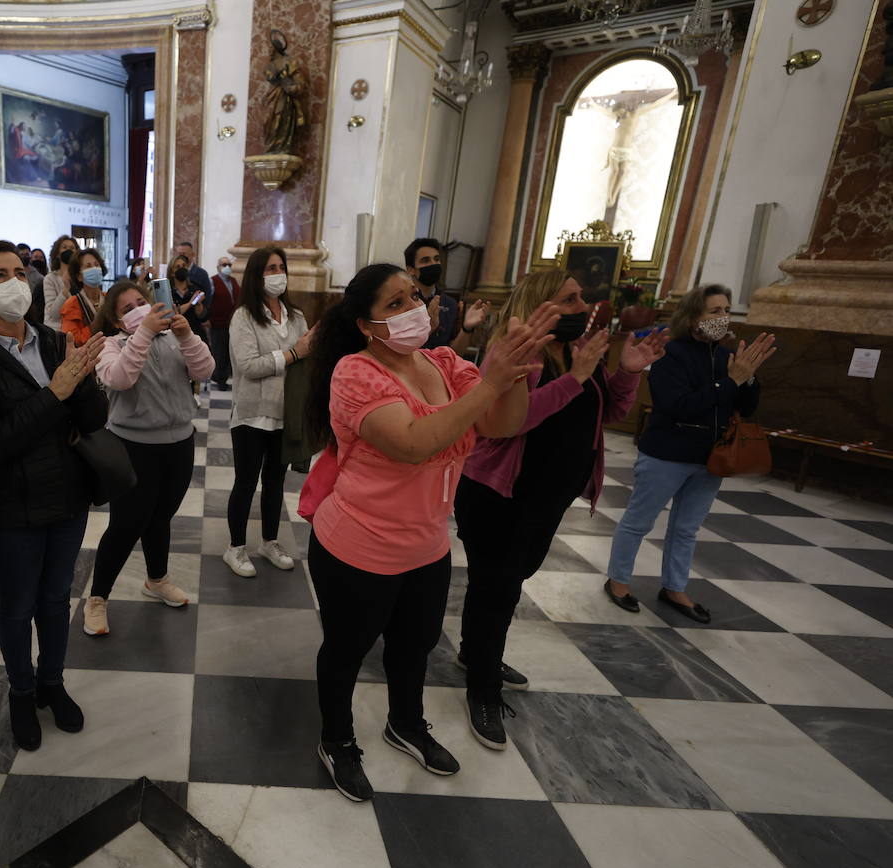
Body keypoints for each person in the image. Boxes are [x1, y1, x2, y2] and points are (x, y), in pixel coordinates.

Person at [305, 263, 556, 801]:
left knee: (414, 647)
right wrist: (488, 380)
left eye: (414, 296)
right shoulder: (356, 372)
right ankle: (337, 740)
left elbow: (501, 424)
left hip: (427, 544)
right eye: (394, 303)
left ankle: (406, 724)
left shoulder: (443, 361)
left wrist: (513, 373)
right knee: (346, 650)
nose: (413, 308)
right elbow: (414, 442)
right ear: (366, 325)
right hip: (358, 545)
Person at [455, 268, 667, 751]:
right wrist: (574, 378)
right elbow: (509, 423)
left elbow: (605, 412)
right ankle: (482, 691)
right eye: (569, 300)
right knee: (498, 588)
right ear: (539, 305)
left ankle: (474, 654)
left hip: (546, 498)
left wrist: (626, 373)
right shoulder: (514, 355)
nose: (581, 307)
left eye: (579, 299)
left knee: (504, 583)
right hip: (499, 497)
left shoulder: (575, 352)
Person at [0, 240, 107, 752]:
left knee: (56, 598)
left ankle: (52, 682)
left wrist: (83, 381)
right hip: (10, 506)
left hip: (65, 497)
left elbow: (93, 421)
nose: (15, 282)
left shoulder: (53, 340)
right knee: (18, 605)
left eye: (19, 272)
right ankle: (21, 691)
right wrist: (56, 393)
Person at [606, 285, 775, 622]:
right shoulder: (672, 354)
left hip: (710, 458)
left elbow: (747, 406)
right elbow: (677, 406)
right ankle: (619, 581)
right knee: (639, 522)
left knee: (686, 529)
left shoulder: (728, 357)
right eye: (714, 310)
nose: (723, 317)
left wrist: (749, 378)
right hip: (667, 454)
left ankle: (674, 587)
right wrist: (731, 382)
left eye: (727, 309)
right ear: (693, 315)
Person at [82, 280, 214, 636]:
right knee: (127, 525)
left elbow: (204, 371)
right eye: (127, 309)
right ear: (114, 318)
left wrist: (187, 336)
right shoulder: (112, 345)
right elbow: (120, 379)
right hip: (133, 447)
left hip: (179, 443)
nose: (138, 309)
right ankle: (97, 598)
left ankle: (157, 579)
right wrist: (142, 334)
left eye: (141, 301)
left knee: (161, 518)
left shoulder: (174, 337)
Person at [224, 246, 314, 578]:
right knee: (246, 482)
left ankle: (269, 541)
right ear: (257, 275)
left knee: (275, 482)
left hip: (284, 413)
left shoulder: (297, 316)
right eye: (270, 268)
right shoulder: (244, 316)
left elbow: (305, 359)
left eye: (281, 267)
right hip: (251, 413)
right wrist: (291, 353)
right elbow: (248, 366)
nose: (277, 273)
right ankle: (234, 547)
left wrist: (307, 352)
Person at [404, 238, 489, 353]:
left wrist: (467, 328)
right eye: (425, 261)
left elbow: (454, 352)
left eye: (437, 259)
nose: (433, 264)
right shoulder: (403, 302)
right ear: (411, 270)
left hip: (439, 368)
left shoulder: (450, 304)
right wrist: (427, 327)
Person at [59, 248, 107, 346]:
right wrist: (97, 323)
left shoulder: (109, 298)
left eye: (97, 265)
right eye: (88, 266)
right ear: (79, 276)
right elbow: (73, 340)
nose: (94, 268)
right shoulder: (72, 305)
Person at [209, 255, 238, 389]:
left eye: (229, 265)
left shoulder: (233, 281)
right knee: (219, 351)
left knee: (227, 352)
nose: (227, 267)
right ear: (218, 267)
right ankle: (219, 379)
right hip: (217, 322)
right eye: (223, 265)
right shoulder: (213, 281)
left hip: (231, 323)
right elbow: (209, 301)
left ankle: (222, 377)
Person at [168, 252, 210, 343]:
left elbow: (204, 317)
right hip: (175, 338)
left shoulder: (196, 289)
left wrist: (199, 308)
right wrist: (190, 303)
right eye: (178, 267)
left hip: (196, 335)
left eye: (184, 266)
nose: (182, 268)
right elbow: (171, 315)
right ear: (172, 273)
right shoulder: (168, 292)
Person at [42, 234, 80, 326]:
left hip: (76, 328)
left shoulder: (80, 277)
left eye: (72, 248)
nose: (68, 250)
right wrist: (65, 290)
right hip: (55, 329)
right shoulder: (50, 278)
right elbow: (54, 314)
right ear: (58, 253)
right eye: (64, 247)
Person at [174, 241, 213, 310]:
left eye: (184, 254)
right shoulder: (174, 272)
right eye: (179, 254)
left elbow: (207, 296)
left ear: (192, 255)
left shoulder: (201, 273)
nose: (181, 256)